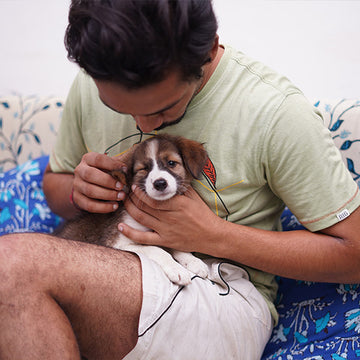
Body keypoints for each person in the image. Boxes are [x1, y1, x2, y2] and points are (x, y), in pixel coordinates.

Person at [1, 0, 360, 359]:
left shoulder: (275, 112)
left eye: (163, 109)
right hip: (108, 260)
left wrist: (215, 236)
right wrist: (80, 191)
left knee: (12, 264)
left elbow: (354, 253)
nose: (144, 127)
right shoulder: (96, 78)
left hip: (217, 291)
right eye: (119, 109)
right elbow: (56, 183)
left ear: (207, 49)